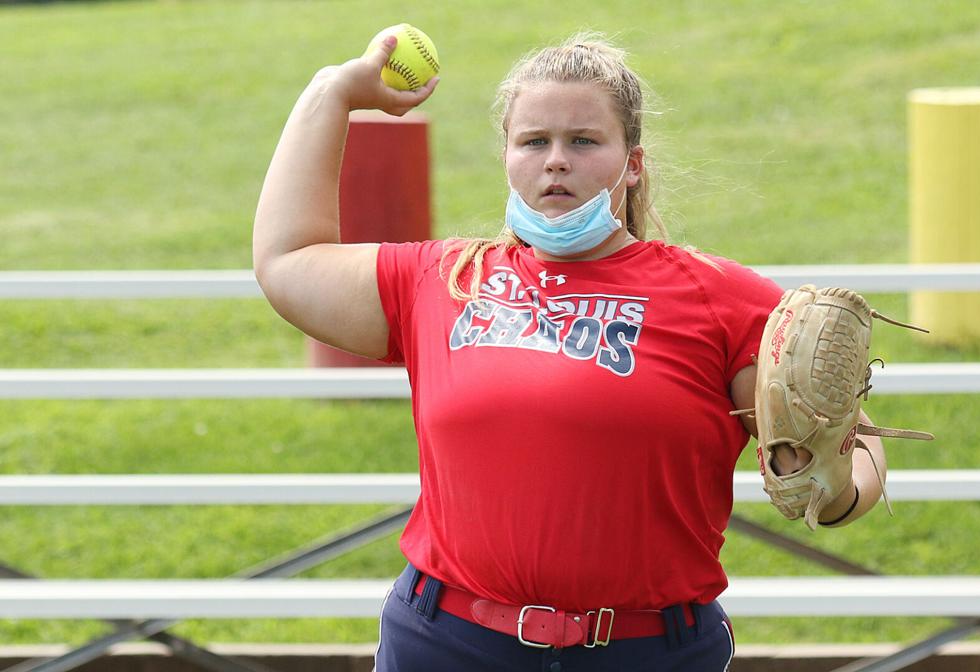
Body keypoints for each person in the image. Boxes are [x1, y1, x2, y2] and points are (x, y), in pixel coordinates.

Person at [254, 30, 889, 672]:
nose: (556, 160)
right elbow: (289, 262)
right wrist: (331, 92)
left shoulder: (718, 298)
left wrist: (832, 487)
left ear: (632, 162)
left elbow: (853, 450)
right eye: (534, 141)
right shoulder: (442, 281)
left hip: (645, 652)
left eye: (584, 141)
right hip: (449, 642)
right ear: (506, 155)